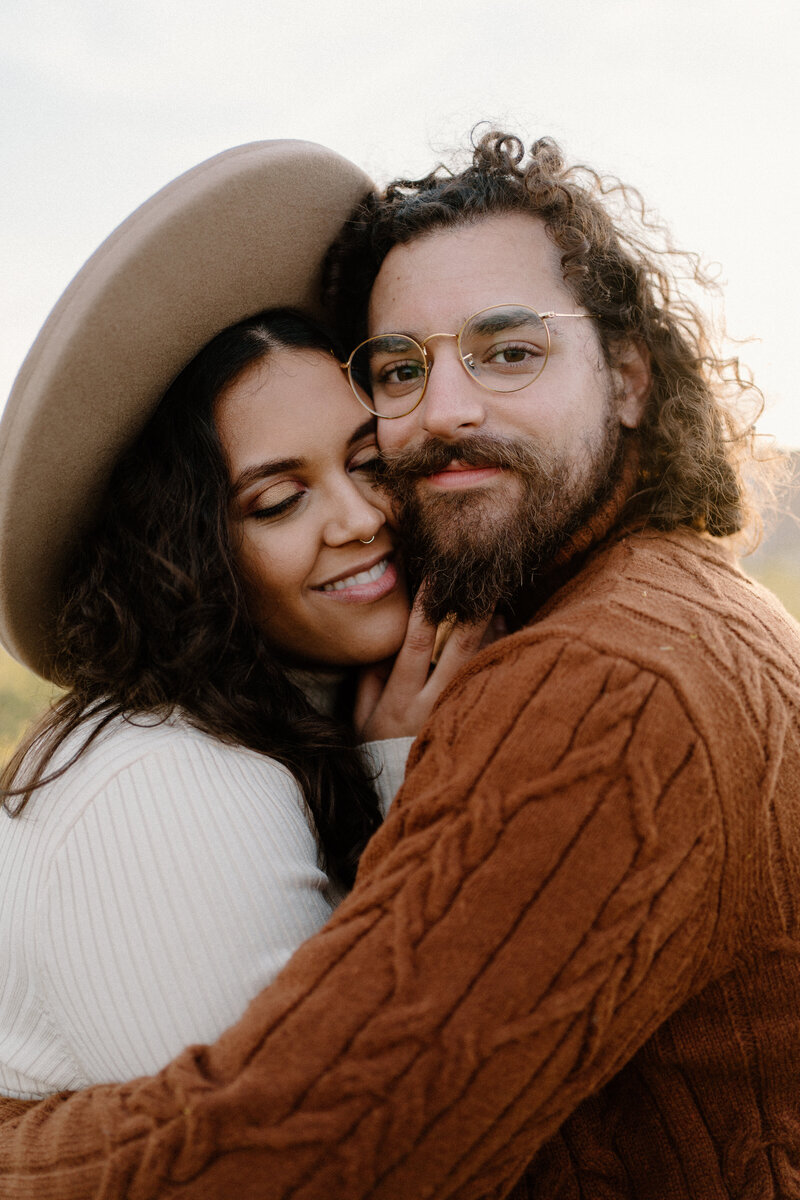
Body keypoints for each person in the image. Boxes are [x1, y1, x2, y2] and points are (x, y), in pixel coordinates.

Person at [1, 130, 799, 1200]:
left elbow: (305, 1155)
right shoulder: (650, 606)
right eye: (400, 369)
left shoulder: (606, 679)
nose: (447, 410)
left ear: (626, 379)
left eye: (507, 351)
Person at [0, 145, 487, 1098]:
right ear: (184, 555)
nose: (359, 518)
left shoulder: (296, 718)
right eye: (277, 501)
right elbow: (315, 1143)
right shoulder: (169, 783)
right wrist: (402, 778)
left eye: (369, 463)